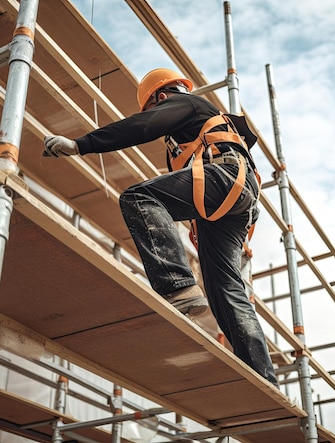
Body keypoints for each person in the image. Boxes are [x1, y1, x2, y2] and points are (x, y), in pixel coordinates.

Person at [42, 68, 278, 387]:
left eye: (155, 107)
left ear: (162, 97)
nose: (158, 113)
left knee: (139, 197)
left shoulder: (189, 104)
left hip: (223, 181)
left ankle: (177, 286)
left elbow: (142, 127)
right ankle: (262, 377)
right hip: (233, 199)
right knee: (225, 290)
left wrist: (81, 145)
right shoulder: (193, 136)